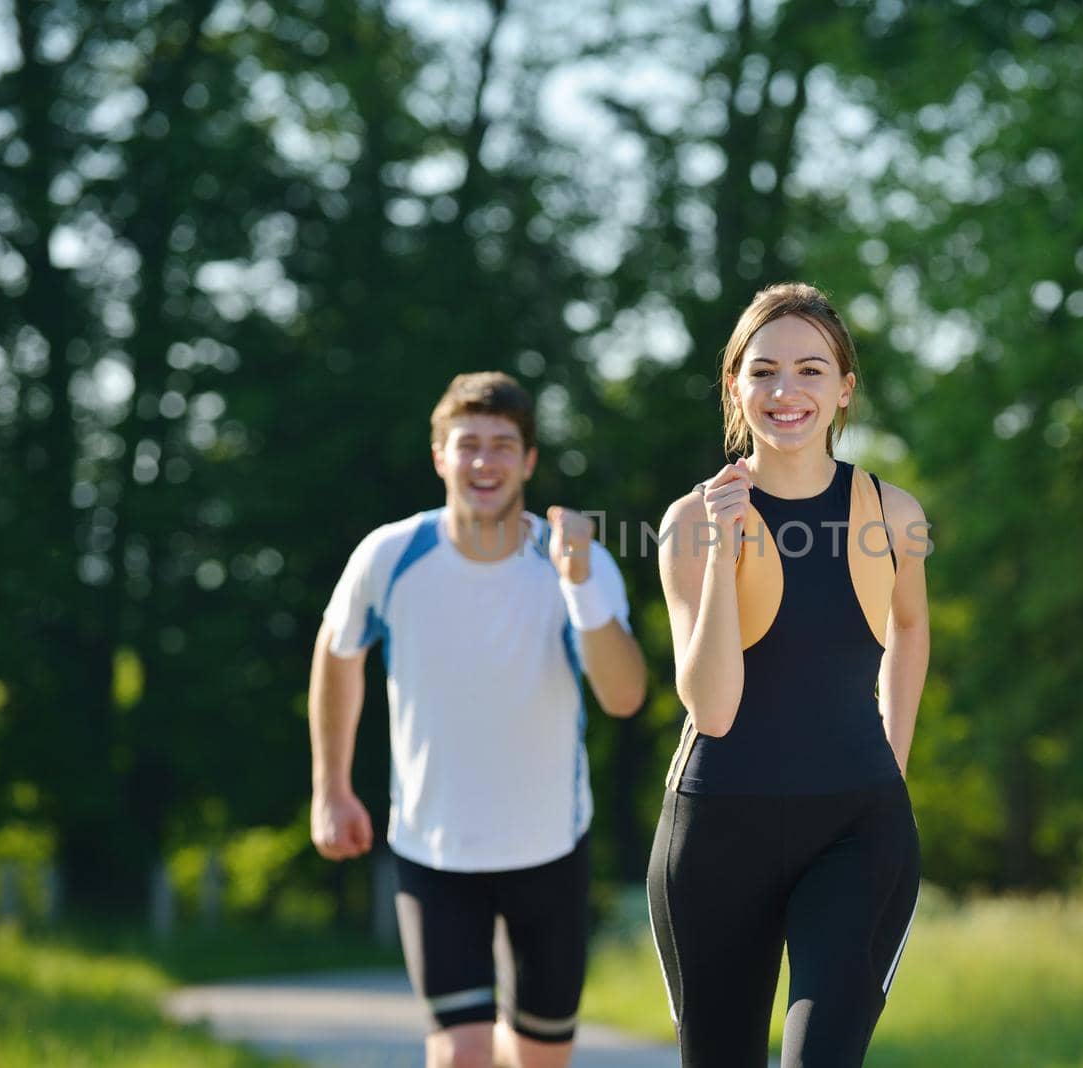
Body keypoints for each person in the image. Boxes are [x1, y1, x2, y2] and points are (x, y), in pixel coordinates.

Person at [308, 371, 647, 1068]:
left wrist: (579, 584)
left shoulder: (577, 563)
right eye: (467, 445)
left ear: (527, 461)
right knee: (462, 1055)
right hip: (435, 850)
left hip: (550, 848)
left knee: (538, 1059)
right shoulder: (391, 556)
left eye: (502, 445)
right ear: (440, 456)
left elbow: (624, 696)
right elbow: (337, 654)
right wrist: (332, 788)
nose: (484, 462)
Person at [647, 283, 930, 1067]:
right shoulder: (690, 521)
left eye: (810, 370)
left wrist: (891, 767)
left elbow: (909, 628)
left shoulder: (892, 513)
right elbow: (714, 708)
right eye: (763, 371)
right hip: (715, 833)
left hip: (857, 831)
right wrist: (721, 557)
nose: (786, 391)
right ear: (735, 386)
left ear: (844, 388)